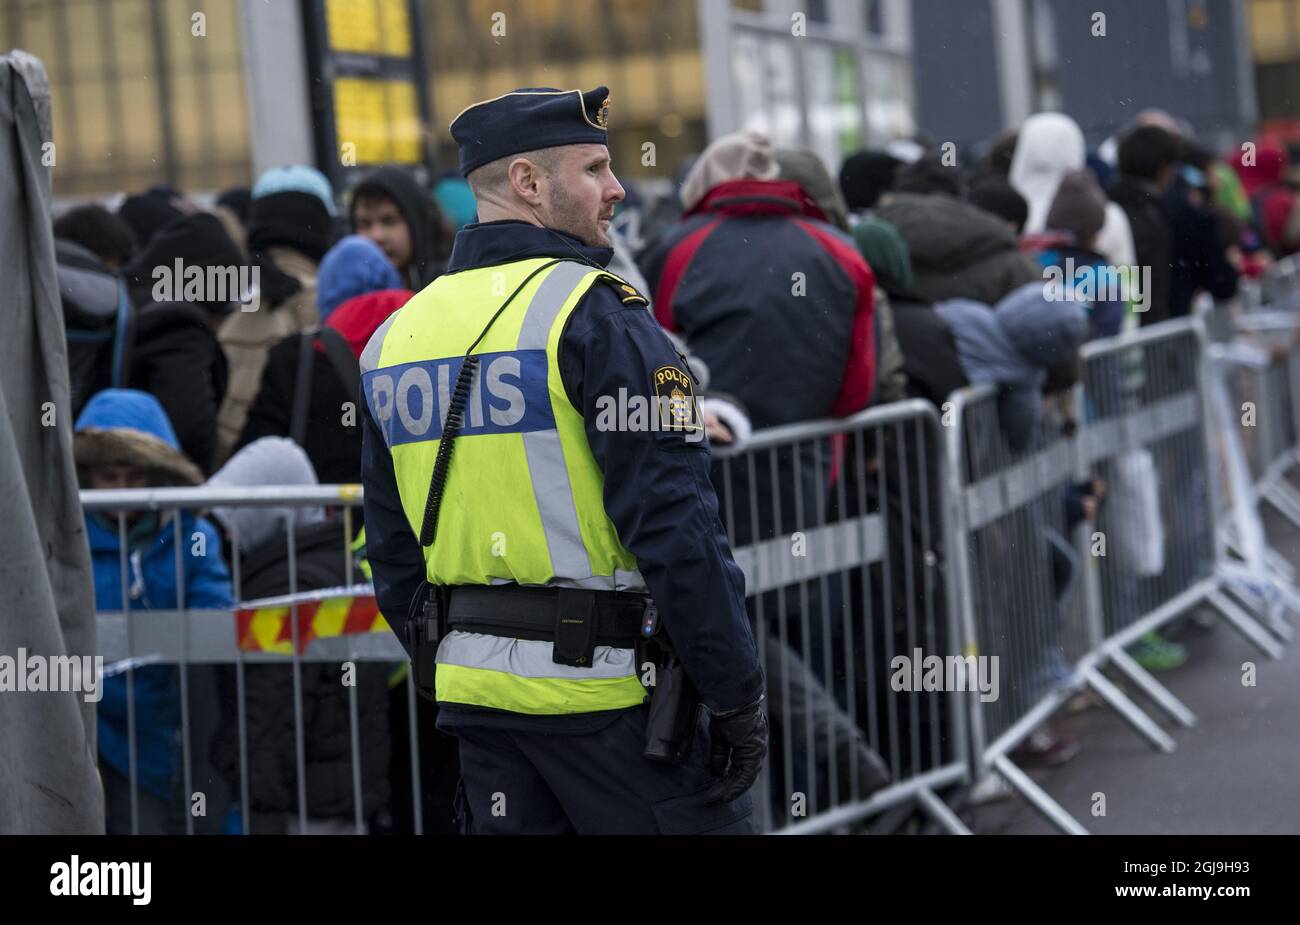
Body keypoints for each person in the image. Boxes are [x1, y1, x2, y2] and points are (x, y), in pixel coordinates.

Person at [359, 85, 767, 835]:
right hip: (611, 709)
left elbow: (388, 548)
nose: (616, 189)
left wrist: (453, 657)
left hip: (480, 712)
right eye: (594, 168)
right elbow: (677, 526)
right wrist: (735, 689)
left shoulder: (398, 336)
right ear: (528, 182)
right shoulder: (598, 314)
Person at [74, 388, 234, 834]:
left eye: (134, 475)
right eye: (109, 476)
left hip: (162, 728)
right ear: (85, 476)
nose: (121, 491)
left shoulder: (190, 535)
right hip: (79, 727)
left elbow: (215, 613)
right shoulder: (62, 541)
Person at [236, 235, 412, 484]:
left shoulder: (296, 355)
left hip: (330, 513)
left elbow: (259, 450)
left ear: (325, 296)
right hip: (418, 512)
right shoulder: (426, 330)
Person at [216, 165, 337, 463]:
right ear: (323, 224)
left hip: (233, 475)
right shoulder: (329, 299)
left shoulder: (224, 298)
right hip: (310, 480)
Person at [350, 166, 453, 291]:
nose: (377, 236)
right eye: (365, 224)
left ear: (416, 225)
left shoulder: (447, 286)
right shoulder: (344, 296)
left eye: (389, 221)